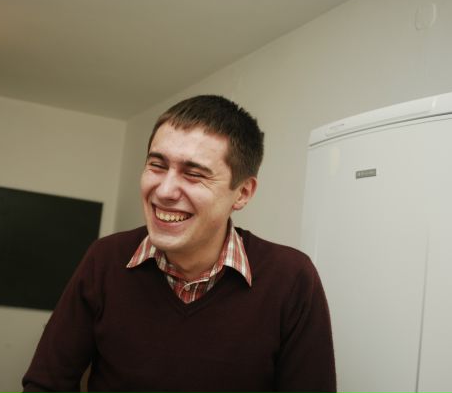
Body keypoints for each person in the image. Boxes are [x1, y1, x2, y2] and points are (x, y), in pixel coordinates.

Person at [22, 95, 336, 392]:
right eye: (157, 166)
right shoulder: (105, 259)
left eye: (194, 174)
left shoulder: (291, 278)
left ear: (242, 193)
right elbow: (46, 384)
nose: (164, 191)